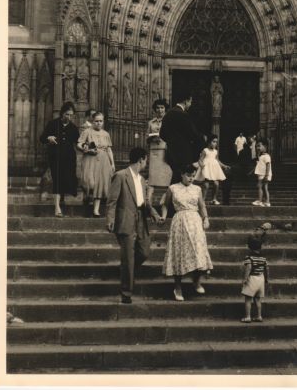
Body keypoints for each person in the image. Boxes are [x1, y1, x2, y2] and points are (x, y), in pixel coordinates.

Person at [106, 147, 161, 304]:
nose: (146, 163)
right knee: (129, 257)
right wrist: (110, 219)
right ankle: (126, 292)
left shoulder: (142, 180)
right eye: (146, 160)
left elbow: (145, 202)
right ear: (141, 160)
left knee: (144, 252)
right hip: (125, 219)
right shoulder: (121, 176)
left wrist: (155, 215)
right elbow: (112, 201)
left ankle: (125, 269)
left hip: (140, 219)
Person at [159, 164, 213, 302]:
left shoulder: (197, 189)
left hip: (195, 221)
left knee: (198, 251)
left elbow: (202, 205)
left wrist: (205, 218)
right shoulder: (173, 188)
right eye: (188, 175)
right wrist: (164, 216)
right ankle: (177, 287)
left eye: (193, 175)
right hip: (180, 221)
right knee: (179, 253)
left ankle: (197, 281)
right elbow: (165, 204)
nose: (191, 178)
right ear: (182, 174)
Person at [39, 101, 79, 217]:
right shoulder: (53, 124)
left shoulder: (73, 128)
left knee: (65, 179)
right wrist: (49, 138)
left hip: (69, 158)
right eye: (67, 114)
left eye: (71, 115)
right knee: (57, 179)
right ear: (62, 113)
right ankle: (57, 207)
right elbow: (42, 138)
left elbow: (78, 143)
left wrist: (86, 146)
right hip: (55, 157)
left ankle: (61, 200)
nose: (69, 117)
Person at [160, 91, 205, 184]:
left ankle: (172, 196)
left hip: (171, 153)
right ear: (186, 101)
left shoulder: (168, 114)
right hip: (184, 153)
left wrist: (172, 142)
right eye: (190, 102)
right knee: (182, 181)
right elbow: (193, 135)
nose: (190, 104)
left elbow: (162, 134)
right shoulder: (183, 115)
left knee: (176, 177)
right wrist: (202, 141)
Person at [78, 111, 115, 217]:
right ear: (92, 121)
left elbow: (109, 150)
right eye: (96, 121)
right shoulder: (87, 132)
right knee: (90, 182)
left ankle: (96, 210)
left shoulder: (106, 134)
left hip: (103, 160)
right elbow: (79, 143)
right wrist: (84, 148)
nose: (99, 123)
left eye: (101, 121)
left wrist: (112, 164)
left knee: (100, 184)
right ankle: (86, 195)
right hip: (90, 159)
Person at [146, 99, 171, 205]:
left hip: (165, 150)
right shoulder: (151, 123)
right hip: (154, 152)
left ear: (165, 109)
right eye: (157, 108)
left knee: (166, 178)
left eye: (162, 108)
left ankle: (165, 202)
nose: (159, 110)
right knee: (152, 178)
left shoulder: (169, 121)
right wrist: (151, 138)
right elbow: (147, 136)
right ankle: (148, 202)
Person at [194, 135, 230, 205]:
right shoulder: (205, 150)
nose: (215, 143)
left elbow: (217, 160)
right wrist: (201, 166)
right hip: (207, 168)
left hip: (214, 168)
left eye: (216, 142)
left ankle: (214, 199)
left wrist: (224, 166)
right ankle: (203, 200)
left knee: (216, 184)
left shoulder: (215, 151)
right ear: (209, 142)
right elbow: (200, 160)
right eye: (213, 142)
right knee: (206, 185)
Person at [241, 235, 269, 323]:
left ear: (249, 247)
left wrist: (245, 279)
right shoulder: (263, 258)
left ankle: (248, 316)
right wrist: (267, 278)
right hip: (261, 278)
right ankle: (259, 316)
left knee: (248, 299)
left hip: (252, 278)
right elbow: (266, 269)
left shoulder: (249, 258)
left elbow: (248, 268)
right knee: (258, 299)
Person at [252, 140, 272, 207]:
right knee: (265, 187)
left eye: (259, 146)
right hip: (261, 174)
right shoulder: (262, 156)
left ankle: (260, 201)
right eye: (257, 146)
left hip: (263, 174)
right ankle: (267, 202)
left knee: (260, 186)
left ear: (265, 146)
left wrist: (266, 175)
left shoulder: (266, 156)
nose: (258, 148)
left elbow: (268, 165)